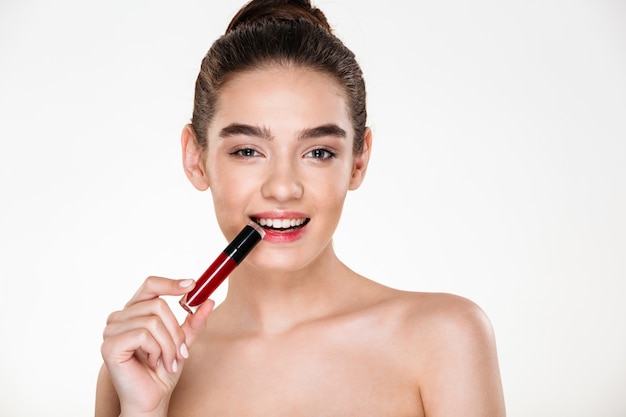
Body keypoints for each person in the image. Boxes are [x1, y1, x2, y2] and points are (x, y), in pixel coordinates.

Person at [95, 0, 506, 415]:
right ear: (195, 158)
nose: (284, 188)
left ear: (357, 161)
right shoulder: (143, 363)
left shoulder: (443, 339)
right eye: (248, 150)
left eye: (319, 152)